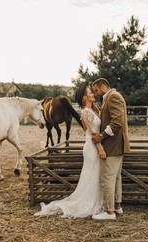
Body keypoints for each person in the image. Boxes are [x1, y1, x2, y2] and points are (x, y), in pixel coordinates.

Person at [34, 82, 110, 218]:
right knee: (91, 175)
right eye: (90, 93)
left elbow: (99, 121)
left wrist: (93, 106)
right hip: (92, 147)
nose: (93, 93)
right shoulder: (86, 112)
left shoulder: (91, 109)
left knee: (94, 175)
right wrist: (101, 150)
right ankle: (88, 203)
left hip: (93, 146)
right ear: (84, 98)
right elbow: (93, 133)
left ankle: (95, 201)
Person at [91, 78, 130, 221]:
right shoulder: (110, 98)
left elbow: (117, 122)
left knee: (107, 178)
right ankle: (118, 207)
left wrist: (101, 137)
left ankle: (109, 212)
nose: (95, 94)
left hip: (113, 145)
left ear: (103, 87)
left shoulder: (113, 97)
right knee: (116, 177)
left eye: (96, 90)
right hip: (117, 145)